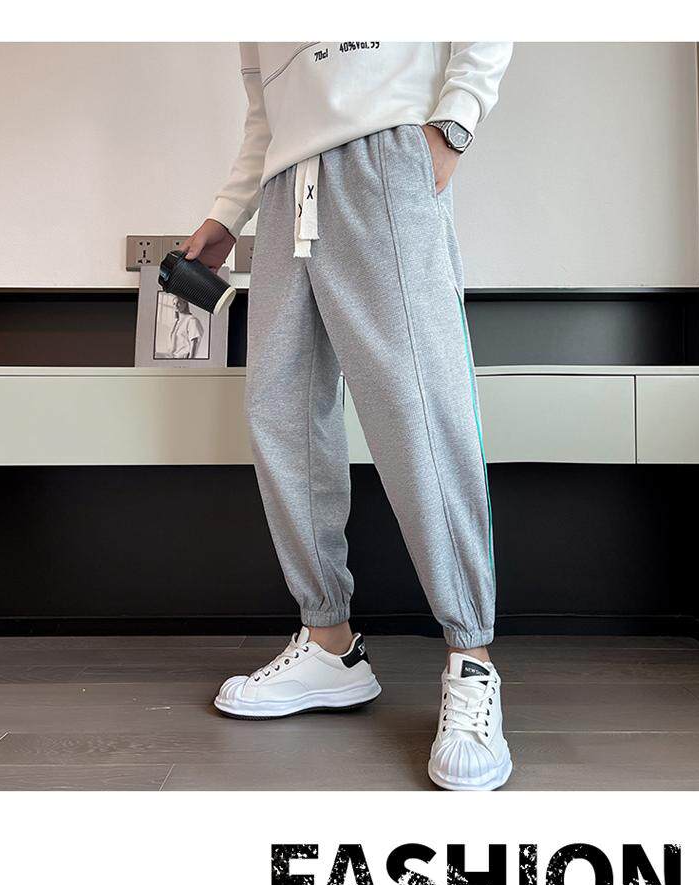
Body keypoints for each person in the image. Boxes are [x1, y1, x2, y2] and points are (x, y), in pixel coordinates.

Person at [181, 41, 514, 790]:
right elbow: (267, 114)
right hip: (283, 191)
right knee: (282, 415)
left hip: (383, 157)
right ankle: (328, 640)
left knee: (418, 410)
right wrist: (228, 215)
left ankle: (471, 656)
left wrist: (453, 125)